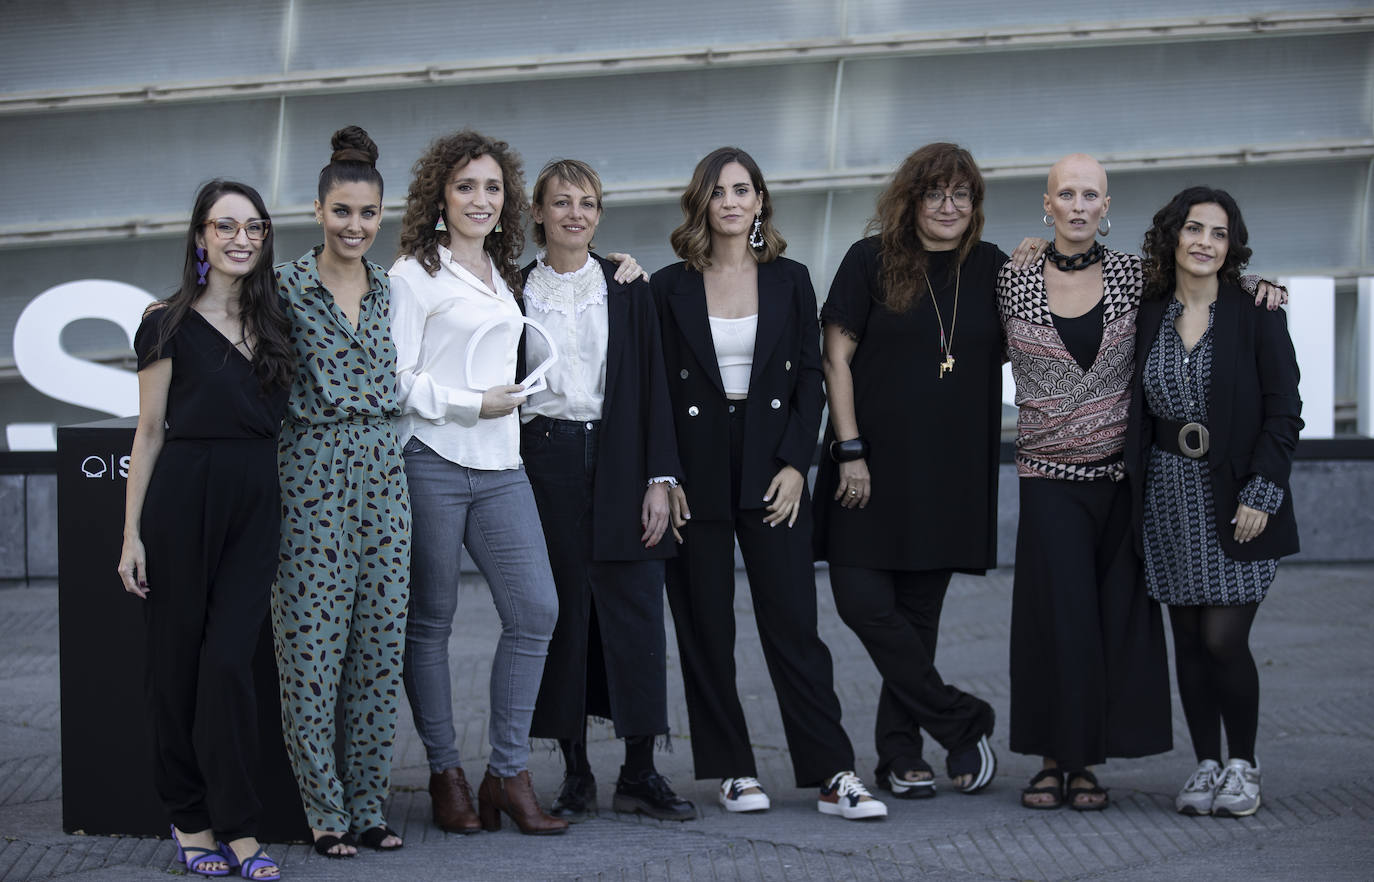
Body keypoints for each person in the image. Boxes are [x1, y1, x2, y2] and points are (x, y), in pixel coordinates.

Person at [997, 154, 1282, 812]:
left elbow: (1206, 275)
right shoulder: (1012, 277)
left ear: (1106, 206)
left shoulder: (1133, 277)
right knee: (1056, 621)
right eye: (1066, 193)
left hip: (1125, 482)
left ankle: (1092, 764)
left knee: (1117, 626)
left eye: (1089, 195)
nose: (1077, 205)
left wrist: (1259, 284)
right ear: (1048, 202)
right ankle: (1056, 759)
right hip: (1052, 477)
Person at [390, 131, 645, 836]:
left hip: (502, 466)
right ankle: (446, 773)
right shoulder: (413, 274)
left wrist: (619, 265)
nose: (480, 199)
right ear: (440, 196)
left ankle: (506, 773)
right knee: (431, 622)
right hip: (433, 458)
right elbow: (395, 379)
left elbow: (574, 282)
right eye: (466, 186)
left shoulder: (507, 273)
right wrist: (471, 403)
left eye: (493, 187)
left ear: (509, 201)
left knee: (536, 611)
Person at [652, 146, 886, 821]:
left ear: (759, 202)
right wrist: (665, 474)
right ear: (701, 202)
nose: (730, 201)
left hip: (771, 462)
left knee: (794, 624)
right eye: (718, 191)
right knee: (705, 626)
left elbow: (811, 376)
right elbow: (655, 388)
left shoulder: (790, 278)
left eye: (742, 190)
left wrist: (794, 464)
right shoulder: (668, 286)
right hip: (695, 467)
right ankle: (732, 769)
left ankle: (833, 772)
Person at [814, 143, 1013, 800]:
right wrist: (850, 450)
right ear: (912, 199)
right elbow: (835, 360)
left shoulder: (995, 269)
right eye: (935, 193)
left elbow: (1058, 317)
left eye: (961, 195)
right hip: (866, 467)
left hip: (950, 472)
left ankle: (900, 755)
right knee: (862, 602)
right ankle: (960, 719)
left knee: (917, 617)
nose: (948, 207)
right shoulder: (869, 260)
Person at [118, 179, 291, 879]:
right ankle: (190, 820)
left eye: (253, 227)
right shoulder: (164, 322)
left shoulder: (279, 321)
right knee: (176, 669)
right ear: (200, 236)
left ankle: (241, 826)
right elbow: (149, 431)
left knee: (228, 665)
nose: (240, 238)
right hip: (181, 502)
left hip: (256, 505)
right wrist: (130, 534)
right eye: (225, 226)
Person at [518, 159, 695, 822]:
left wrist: (660, 478)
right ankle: (576, 773)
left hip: (621, 456)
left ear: (599, 214)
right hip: (545, 459)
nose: (575, 214)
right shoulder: (511, 291)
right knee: (562, 613)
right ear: (538, 213)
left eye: (587, 203)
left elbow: (654, 387)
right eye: (561, 202)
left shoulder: (627, 288)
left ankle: (640, 773)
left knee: (637, 610)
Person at [1127, 187, 1302, 818]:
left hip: (1238, 497)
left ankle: (1243, 764)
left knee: (1224, 639)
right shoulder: (1147, 310)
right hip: (1166, 496)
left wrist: (1264, 490)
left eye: (1219, 233)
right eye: (1194, 229)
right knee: (1189, 641)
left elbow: (1285, 411)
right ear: (1173, 235)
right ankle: (1206, 763)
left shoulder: (1256, 311)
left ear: (1232, 247)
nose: (1205, 242)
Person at [273, 127, 410, 857]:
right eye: (342, 212)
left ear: (382, 214)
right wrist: (163, 313)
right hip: (312, 472)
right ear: (318, 210)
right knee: (312, 648)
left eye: (367, 213)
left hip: (385, 474)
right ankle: (324, 812)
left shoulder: (391, 287)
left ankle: (368, 807)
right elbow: (216, 308)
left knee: (380, 646)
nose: (355, 226)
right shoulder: (283, 286)